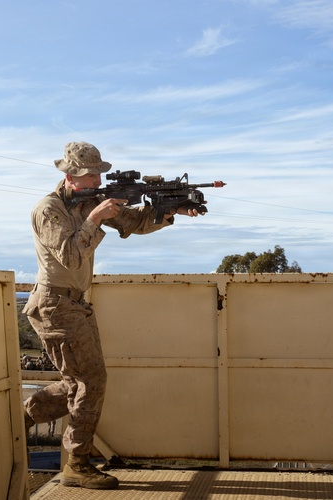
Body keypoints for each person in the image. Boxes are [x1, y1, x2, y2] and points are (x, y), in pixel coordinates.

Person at [22, 141, 204, 490]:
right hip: (54, 304)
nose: (95, 182)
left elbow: (135, 222)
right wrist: (94, 219)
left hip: (75, 303)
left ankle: (26, 415)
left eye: (98, 175)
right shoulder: (49, 209)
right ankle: (76, 464)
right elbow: (71, 258)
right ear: (70, 177)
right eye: (90, 176)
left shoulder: (91, 200)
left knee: (81, 382)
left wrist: (170, 211)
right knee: (91, 382)